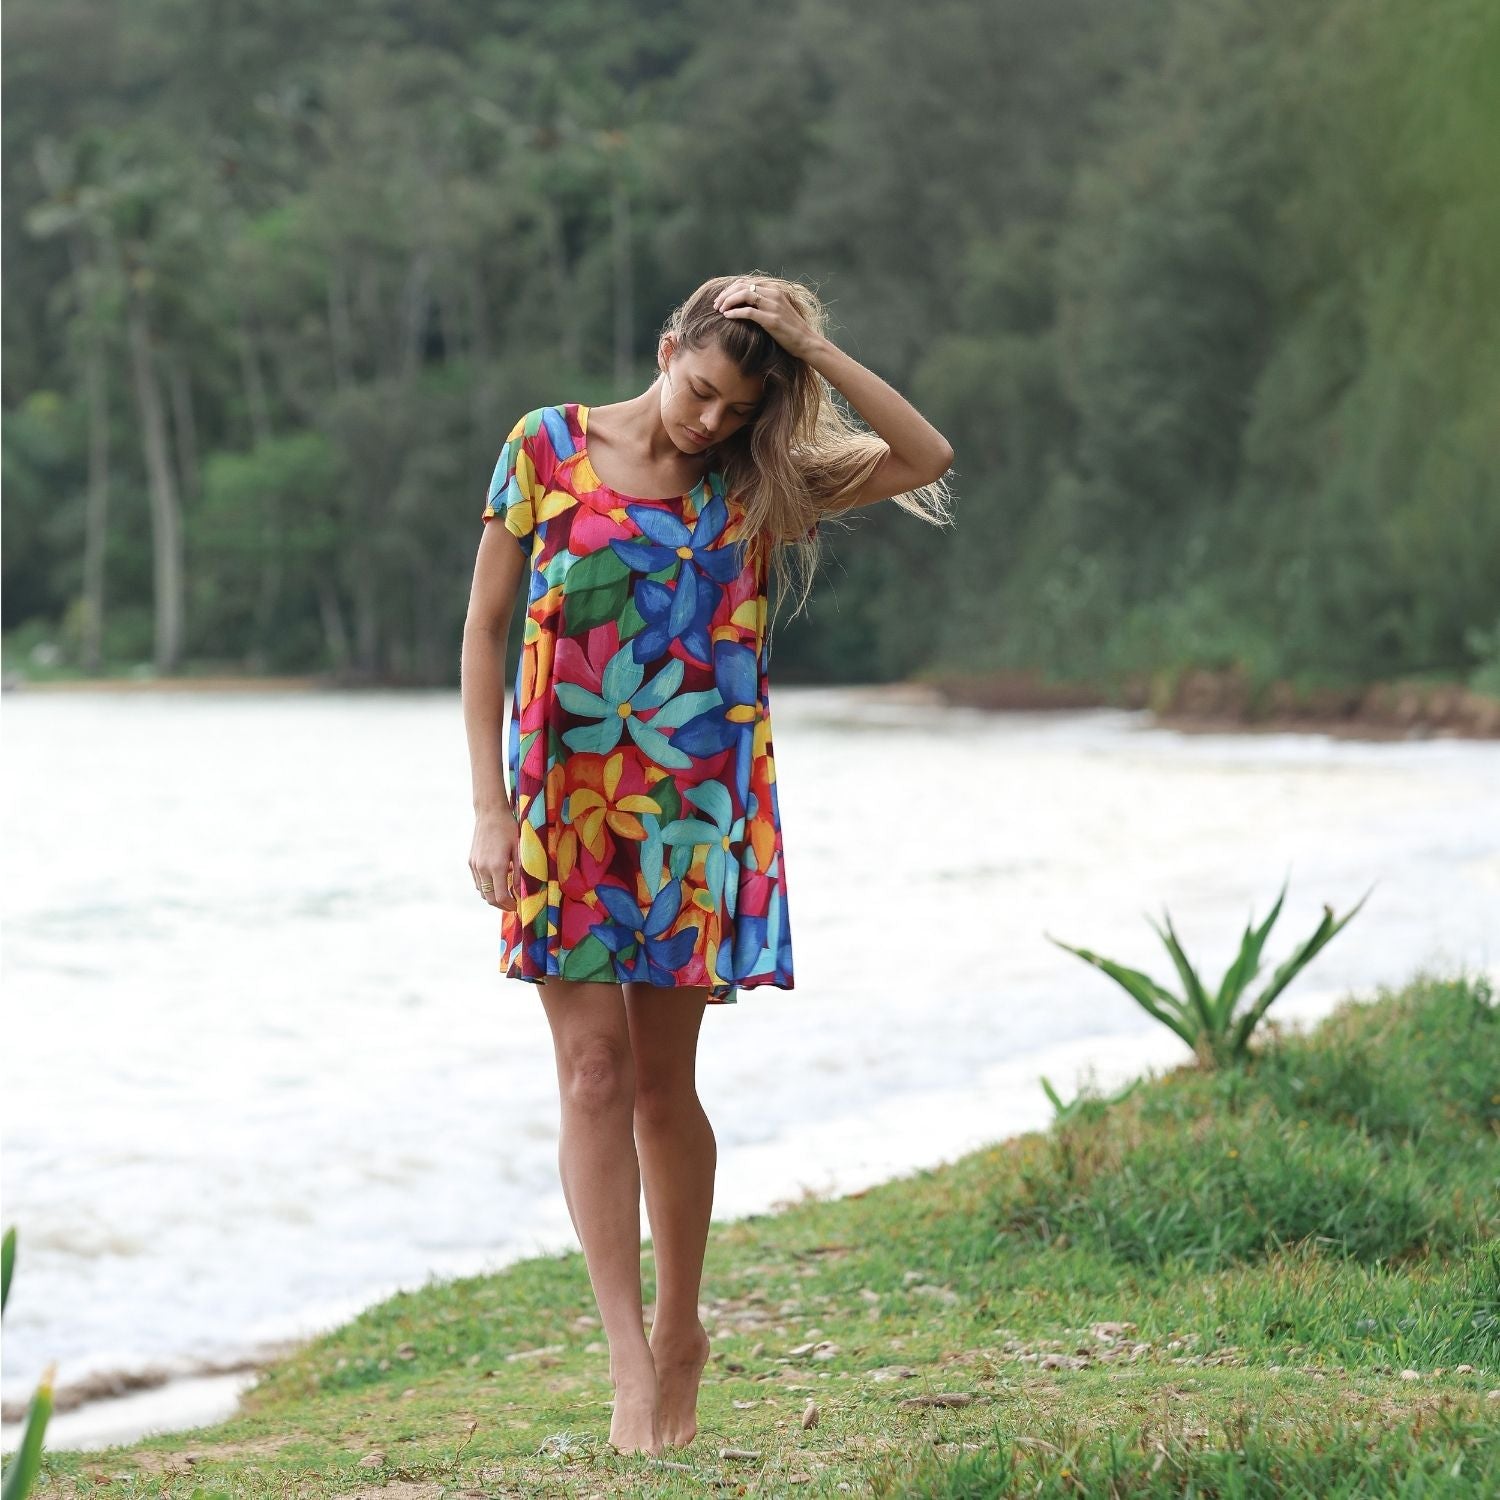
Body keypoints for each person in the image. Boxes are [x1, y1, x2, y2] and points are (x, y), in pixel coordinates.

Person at [460, 272, 953, 1457]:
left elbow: (923, 454)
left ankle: (684, 1330)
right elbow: (485, 626)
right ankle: (631, 1357)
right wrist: (488, 808)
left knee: (657, 1087)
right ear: (667, 344)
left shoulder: (755, 487)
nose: (710, 422)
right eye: (701, 391)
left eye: (738, 406)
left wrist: (812, 351)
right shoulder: (544, 447)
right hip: (564, 808)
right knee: (587, 1076)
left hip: (690, 817)